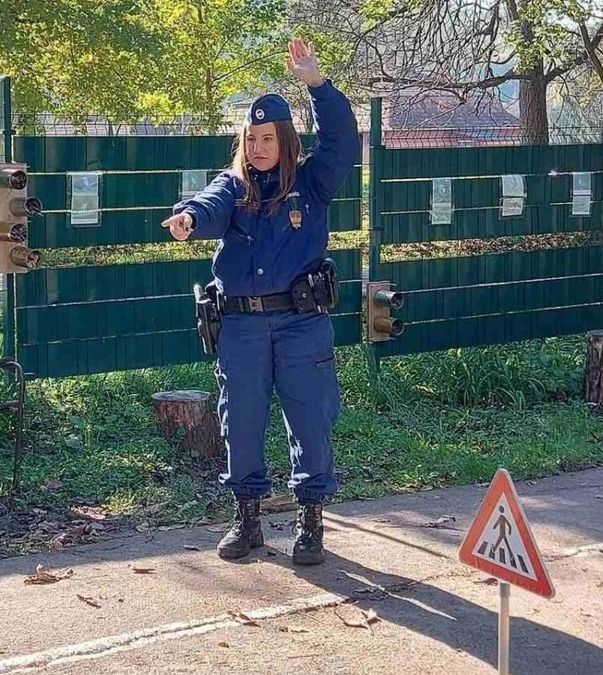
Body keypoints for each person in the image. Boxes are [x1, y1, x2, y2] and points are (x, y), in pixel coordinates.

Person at [162, 38, 360, 565]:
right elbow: (208, 203)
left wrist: (317, 84)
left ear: (286, 140)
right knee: (241, 424)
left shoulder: (312, 182)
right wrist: (188, 220)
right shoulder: (235, 185)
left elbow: (343, 139)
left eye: (267, 138)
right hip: (243, 328)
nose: (258, 148)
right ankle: (248, 521)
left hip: (300, 323)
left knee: (311, 422)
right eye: (251, 139)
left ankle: (311, 522)